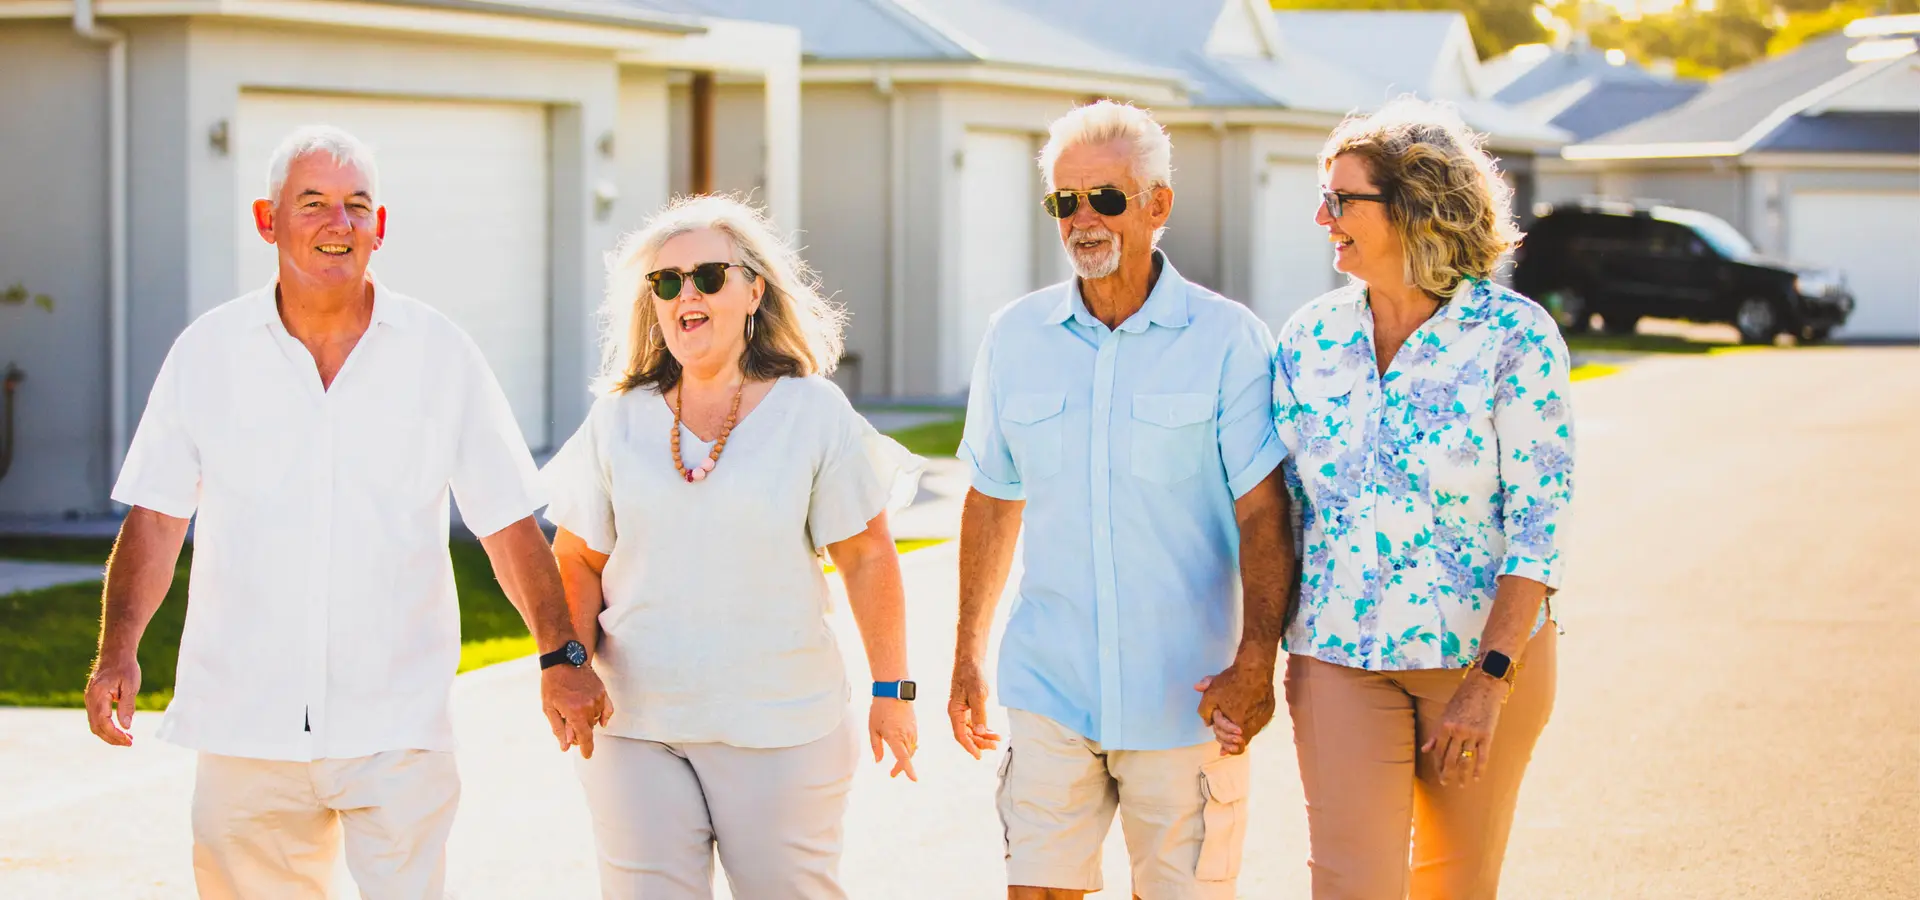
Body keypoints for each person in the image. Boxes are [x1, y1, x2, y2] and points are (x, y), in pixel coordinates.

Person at [83, 125, 611, 898]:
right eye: (315, 204)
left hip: (397, 719)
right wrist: (117, 650)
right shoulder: (209, 353)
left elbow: (506, 523)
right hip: (246, 721)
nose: (340, 224)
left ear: (381, 227)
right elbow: (158, 520)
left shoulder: (440, 353)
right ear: (268, 220)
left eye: (357, 206)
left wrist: (561, 656)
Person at [948, 100, 1296, 900]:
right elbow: (993, 498)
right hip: (1050, 686)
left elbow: (1262, 515)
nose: (1082, 220)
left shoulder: (1228, 340)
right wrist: (968, 652)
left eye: (1105, 198)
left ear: (1158, 206)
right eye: (1065, 202)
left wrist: (1255, 662)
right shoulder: (1015, 336)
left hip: (1189, 699)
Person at [1236, 98, 1576, 899]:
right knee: (1351, 885)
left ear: (1415, 205)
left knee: (1453, 886)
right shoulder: (1307, 339)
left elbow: (1539, 527)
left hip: (1478, 662)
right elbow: (1274, 512)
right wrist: (1251, 650)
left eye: (1341, 199)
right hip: (1337, 658)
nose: (1324, 217)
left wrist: (1489, 682)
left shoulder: (1514, 337)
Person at [541, 194, 922, 900]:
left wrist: (892, 690)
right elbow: (579, 560)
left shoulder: (811, 412)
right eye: (667, 281)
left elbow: (867, 557)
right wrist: (566, 664)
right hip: (635, 727)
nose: (688, 292)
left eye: (709, 276)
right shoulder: (616, 421)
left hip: (781, 730)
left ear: (753, 291)